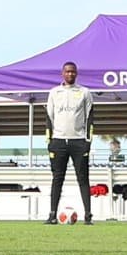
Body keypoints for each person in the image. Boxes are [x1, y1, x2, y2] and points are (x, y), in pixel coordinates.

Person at [45, 61, 94, 225]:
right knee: (57, 178)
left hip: (78, 141)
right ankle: (52, 215)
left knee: (83, 178)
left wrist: (88, 141)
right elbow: (49, 118)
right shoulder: (54, 92)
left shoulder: (84, 92)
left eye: (73, 72)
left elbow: (90, 118)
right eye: (67, 72)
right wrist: (50, 140)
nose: (70, 74)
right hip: (59, 141)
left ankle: (88, 216)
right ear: (62, 73)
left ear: (76, 73)